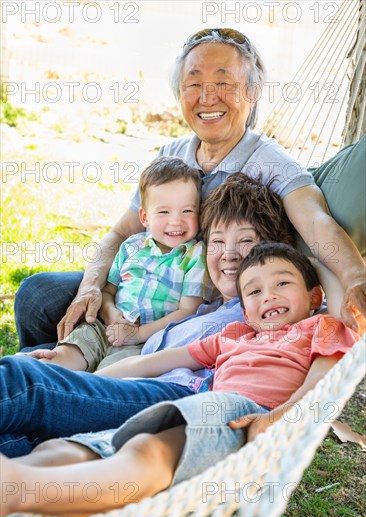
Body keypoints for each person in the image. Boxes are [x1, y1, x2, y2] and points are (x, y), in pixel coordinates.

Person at [14, 28, 366, 351]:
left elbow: (318, 223)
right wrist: (93, 286)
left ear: (253, 92)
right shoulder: (171, 155)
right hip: (143, 284)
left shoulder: (272, 163)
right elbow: (123, 231)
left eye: (224, 82)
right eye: (193, 84)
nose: (207, 97)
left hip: (199, 306)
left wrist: (355, 277)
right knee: (37, 296)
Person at [1, 243, 358, 517]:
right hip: (197, 402)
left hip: (246, 415)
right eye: (254, 291)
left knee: (148, 450)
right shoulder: (235, 335)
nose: (269, 295)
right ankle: (17, 477)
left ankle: (23, 489)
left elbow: (324, 379)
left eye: (283, 283)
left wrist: (282, 416)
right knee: (73, 444)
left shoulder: (320, 326)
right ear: (246, 312)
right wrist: (77, 381)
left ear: (314, 297)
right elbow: (157, 362)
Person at [0, 174, 296, 458]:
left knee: (25, 381)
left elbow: (317, 314)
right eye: (217, 242)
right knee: (25, 367)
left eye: (245, 241)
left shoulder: (261, 317)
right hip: (127, 381)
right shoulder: (206, 306)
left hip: (170, 400)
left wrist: (80, 381)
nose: (228, 253)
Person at [39, 156, 213, 372]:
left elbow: (188, 311)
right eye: (164, 212)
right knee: (60, 361)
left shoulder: (194, 256)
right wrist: (111, 315)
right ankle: (33, 378)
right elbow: (108, 291)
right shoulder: (132, 246)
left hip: (144, 344)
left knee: (103, 381)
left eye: (187, 211)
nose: (176, 220)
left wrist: (138, 334)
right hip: (102, 329)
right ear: (145, 217)